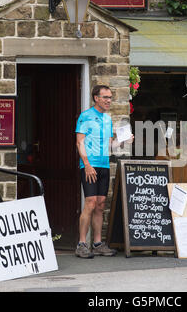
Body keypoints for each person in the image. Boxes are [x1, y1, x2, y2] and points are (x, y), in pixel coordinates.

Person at [75, 85, 133, 258]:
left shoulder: (107, 119)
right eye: (105, 97)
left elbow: (110, 145)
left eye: (110, 97)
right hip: (90, 165)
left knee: (100, 204)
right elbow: (80, 142)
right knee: (90, 202)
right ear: (96, 98)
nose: (109, 100)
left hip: (104, 165)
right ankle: (81, 244)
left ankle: (98, 243)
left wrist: (123, 142)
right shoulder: (85, 116)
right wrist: (86, 164)